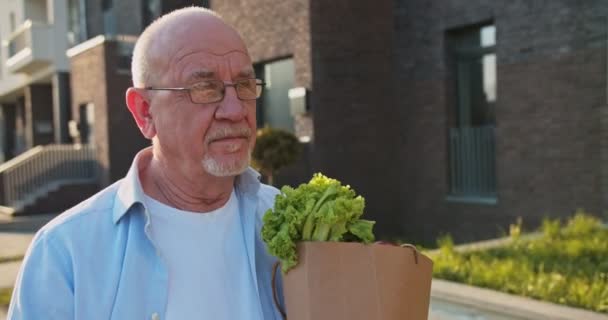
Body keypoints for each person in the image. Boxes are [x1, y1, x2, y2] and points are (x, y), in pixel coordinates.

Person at [8, 7, 284, 320]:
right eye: (205, 88)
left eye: (245, 85)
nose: (235, 110)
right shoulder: (65, 253)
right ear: (144, 112)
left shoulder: (291, 222)